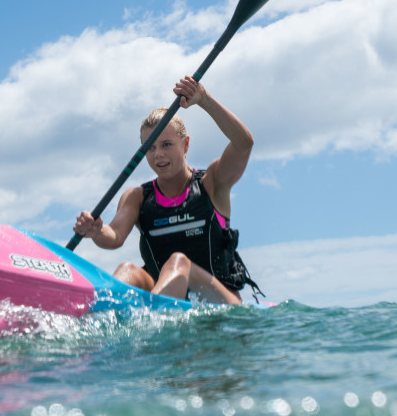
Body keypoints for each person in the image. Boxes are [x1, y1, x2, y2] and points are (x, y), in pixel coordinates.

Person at [73, 75, 260, 304]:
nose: (158, 154)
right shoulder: (137, 197)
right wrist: (96, 231)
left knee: (178, 263)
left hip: (221, 305)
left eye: (166, 145)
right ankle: (95, 319)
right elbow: (114, 236)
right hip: (165, 300)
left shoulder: (212, 182)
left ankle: (152, 319)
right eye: (150, 148)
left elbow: (244, 143)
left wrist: (204, 100)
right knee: (128, 270)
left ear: (186, 144)